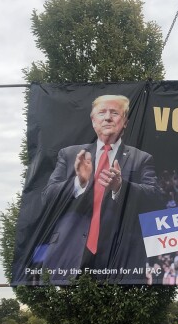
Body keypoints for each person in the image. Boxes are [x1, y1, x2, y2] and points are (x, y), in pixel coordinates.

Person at [39, 94, 163, 279]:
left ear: (125, 121)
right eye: (102, 112)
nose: (107, 117)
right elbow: (47, 197)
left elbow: (155, 199)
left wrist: (120, 186)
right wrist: (78, 182)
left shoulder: (141, 158)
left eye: (114, 112)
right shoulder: (70, 154)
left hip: (121, 258)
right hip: (68, 254)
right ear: (93, 120)